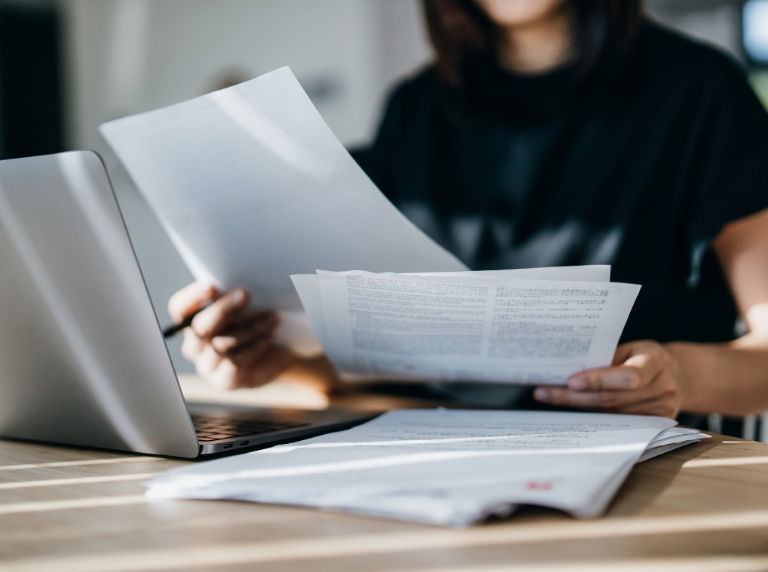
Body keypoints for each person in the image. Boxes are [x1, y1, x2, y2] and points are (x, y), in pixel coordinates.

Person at [169, 0, 768, 419]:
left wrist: (680, 374)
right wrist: (273, 360)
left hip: (634, 473)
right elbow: (388, 368)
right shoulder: (414, 112)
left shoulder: (704, 94)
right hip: (430, 460)